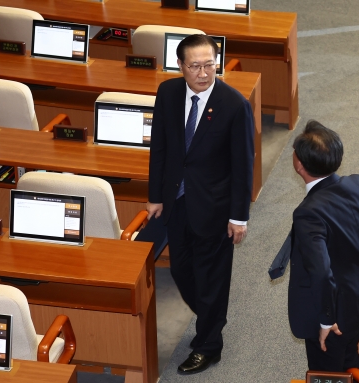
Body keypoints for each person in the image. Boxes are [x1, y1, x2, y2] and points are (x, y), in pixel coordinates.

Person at [147, 34, 254, 374]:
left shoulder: (234, 105)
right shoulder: (168, 93)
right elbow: (160, 148)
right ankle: (213, 316)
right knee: (181, 270)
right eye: (195, 66)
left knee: (211, 279)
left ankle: (209, 345)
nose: (204, 73)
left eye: (210, 64)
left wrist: (239, 217)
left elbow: (243, 166)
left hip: (215, 209)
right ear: (180, 66)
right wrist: (155, 196)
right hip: (177, 203)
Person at [288, 120, 359, 372]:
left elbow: (321, 272)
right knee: (349, 359)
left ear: (299, 164)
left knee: (328, 373)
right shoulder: (358, 183)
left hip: (335, 318)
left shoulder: (307, 213)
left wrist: (325, 321)